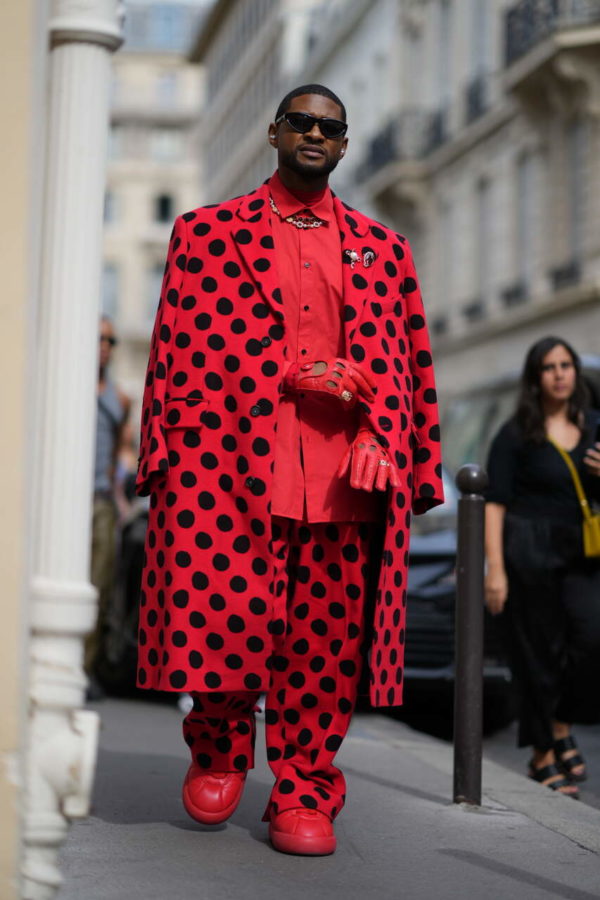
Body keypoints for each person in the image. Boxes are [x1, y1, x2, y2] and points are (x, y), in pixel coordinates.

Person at [136, 84, 443, 855]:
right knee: (224, 615)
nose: (314, 133)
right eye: (301, 122)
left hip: (346, 481)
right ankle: (217, 747)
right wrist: (295, 371)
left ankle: (304, 790)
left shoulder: (385, 249)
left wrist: (394, 439)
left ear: (343, 146)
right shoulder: (206, 234)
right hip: (231, 467)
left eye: (330, 128)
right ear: (274, 133)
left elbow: (410, 364)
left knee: (324, 646)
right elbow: (180, 352)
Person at [485, 336, 600, 798]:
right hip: (528, 552)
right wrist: (496, 569)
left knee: (591, 641)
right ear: (537, 378)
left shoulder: (594, 426)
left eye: (566, 365)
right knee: (536, 656)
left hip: (584, 552)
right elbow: (493, 503)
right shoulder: (517, 434)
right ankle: (541, 756)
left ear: (575, 372)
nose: (559, 374)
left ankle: (559, 724)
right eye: (549, 367)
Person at [86, 316, 130, 695]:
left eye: (111, 341)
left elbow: (118, 450)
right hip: (69, 497)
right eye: (100, 339)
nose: (105, 346)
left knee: (100, 586)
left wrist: (119, 499)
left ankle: (85, 667)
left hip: (101, 498)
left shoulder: (119, 398)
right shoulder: (69, 386)